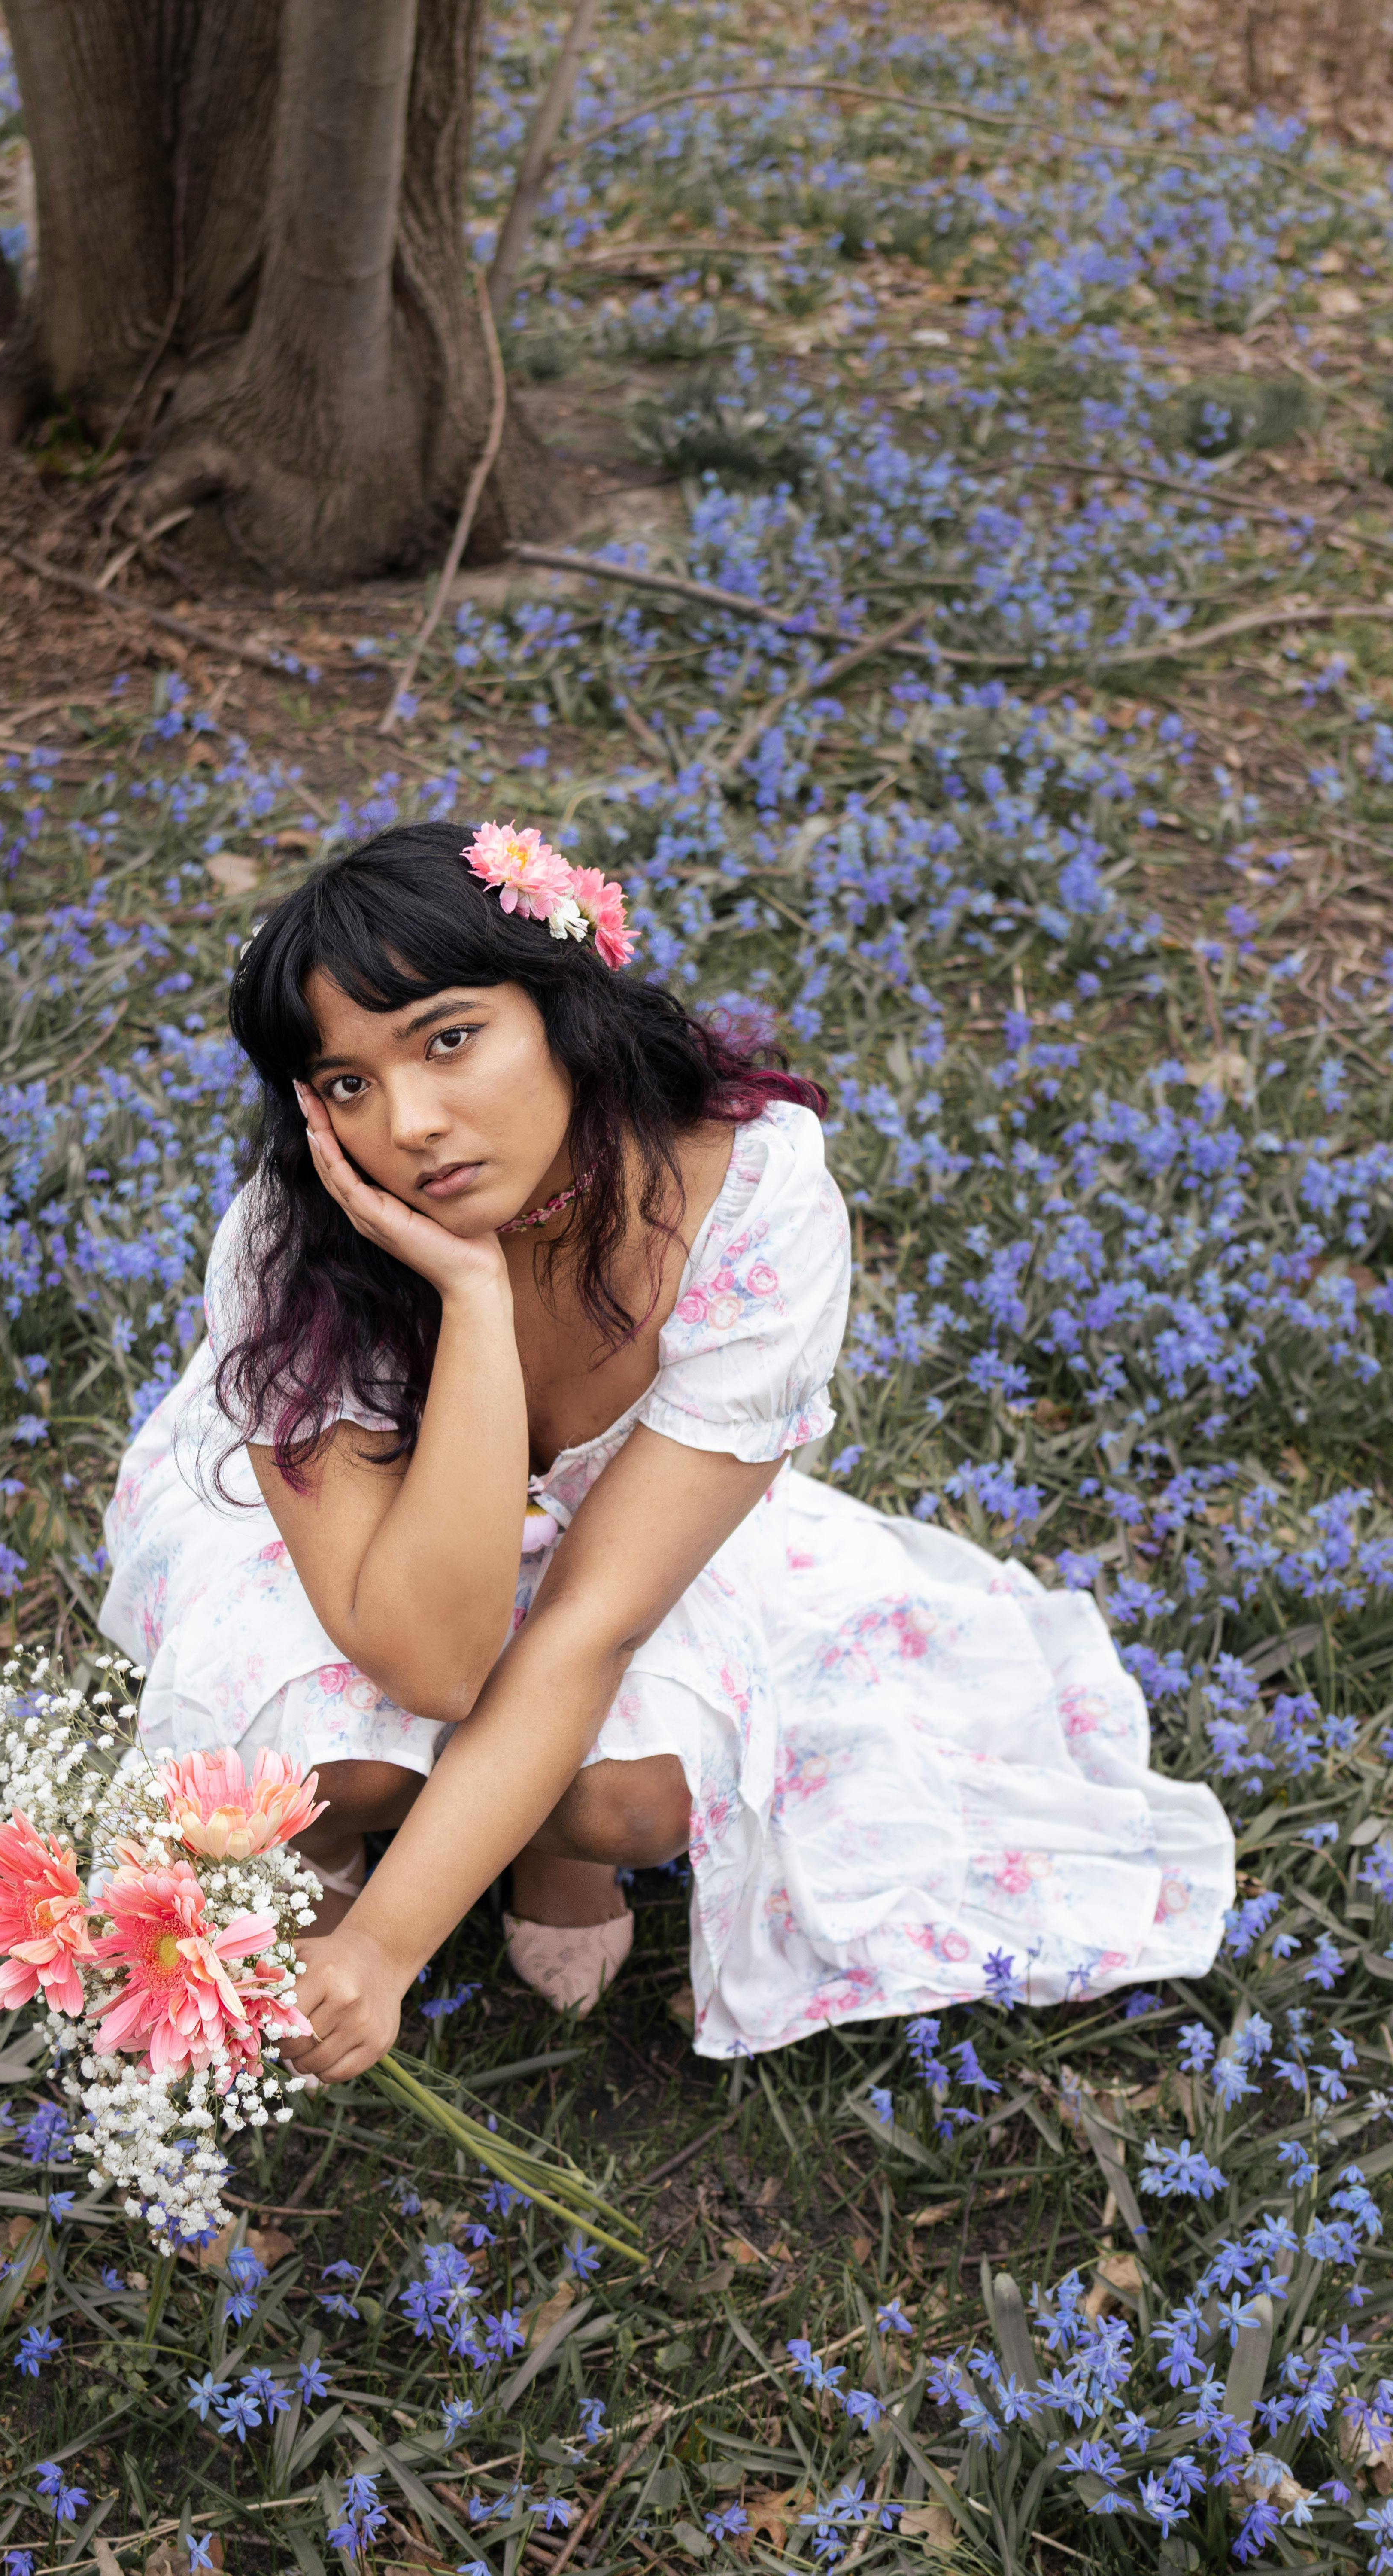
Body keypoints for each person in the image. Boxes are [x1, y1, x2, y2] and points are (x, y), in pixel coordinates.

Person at [99, 819, 1235, 2085]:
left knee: (626, 1801)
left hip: (618, 1547)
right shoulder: (296, 1242)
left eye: (450, 1039)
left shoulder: (746, 1199)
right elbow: (429, 1652)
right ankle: (341, 1828)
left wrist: (386, 1949)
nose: (409, 1124)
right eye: (349, 1085)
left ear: (564, 1007)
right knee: (326, 1764)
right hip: (375, 1560)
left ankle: (544, 1843)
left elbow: (591, 1624)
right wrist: (471, 1306)